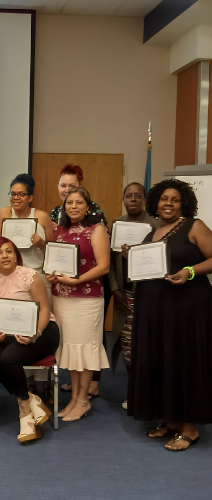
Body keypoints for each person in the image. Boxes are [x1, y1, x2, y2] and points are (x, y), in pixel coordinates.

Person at [127, 179, 212, 452]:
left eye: (175, 199)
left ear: (183, 203)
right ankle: (171, 419)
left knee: (182, 362)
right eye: (164, 199)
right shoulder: (153, 232)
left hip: (185, 310)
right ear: (156, 202)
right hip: (155, 311)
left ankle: (189, 428)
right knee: (161, 361)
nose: (169, 204)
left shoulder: (194, 226)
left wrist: (189, 272)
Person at [0, 237, 60, 443]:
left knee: (8, 358)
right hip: (11, 334)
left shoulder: (30, 276)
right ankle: (29, 398)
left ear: (16, 255)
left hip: (43, 330)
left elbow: (44, 309)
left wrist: (35, 333)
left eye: (9, 251)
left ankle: (24, 413)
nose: (5, 256)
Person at [47, 187, 110, 421]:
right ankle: (74, 398)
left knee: (85, 349)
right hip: (62, 298)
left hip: (87, 298)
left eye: (79, 202)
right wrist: (52, 276)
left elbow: (103, 266)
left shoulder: (97, 229)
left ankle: (83, 401)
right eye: (69, 203)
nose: (73, 206)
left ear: (87, 206)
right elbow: (55, 261)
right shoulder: (60, 230)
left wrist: (76, 280)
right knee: (72, 349)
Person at [107, 182, 159, 408]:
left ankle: (149, 394)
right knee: (127, 347)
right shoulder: (117, 224)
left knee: (148, 345)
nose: (134, 200)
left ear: (145, 199)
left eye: (138, 196)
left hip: (149, 296)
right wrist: (115, 290)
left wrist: (135, 256)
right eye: (129, 196)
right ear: (124, 199)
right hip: (124, 294)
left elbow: (159, 264)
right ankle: (135, 391)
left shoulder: (156, 226)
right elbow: (108, 263)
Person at [0, 173, 53, 276]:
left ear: (30, 198)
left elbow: (53, 253)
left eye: (21, 194)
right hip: (10, 273)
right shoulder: (2, 214)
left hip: (37, 273)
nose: (16, 198)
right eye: (12, 194)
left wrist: (42, 245)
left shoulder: (42, 217)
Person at [50, 164, 107, 229]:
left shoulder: (93, 210)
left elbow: (103, 237)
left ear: (80, 187)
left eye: (72, 186)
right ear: (58, 186)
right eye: (63, 186)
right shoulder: (56, 212)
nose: (67, 190)